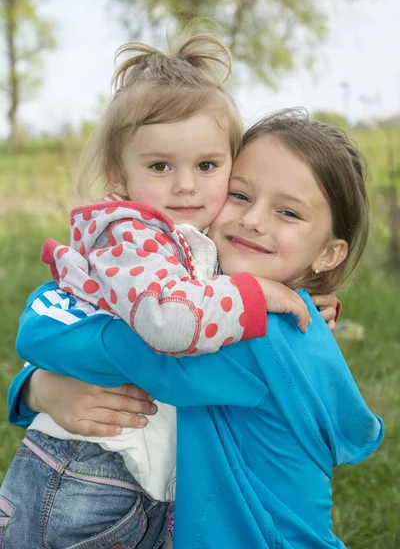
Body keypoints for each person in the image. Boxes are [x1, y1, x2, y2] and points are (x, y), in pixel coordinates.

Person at [3, 109, 382, 548]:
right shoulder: (229, 305)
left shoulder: (263, 332)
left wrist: (36, 385)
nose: (254, 220)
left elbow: (55, 334)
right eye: (240, 195)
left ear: (329, 254)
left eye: (289, 213)